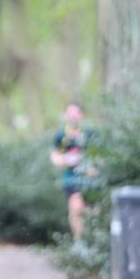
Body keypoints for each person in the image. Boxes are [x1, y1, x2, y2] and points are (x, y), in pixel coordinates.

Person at [50, 101, 92, 240]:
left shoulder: (88, 134)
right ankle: (79, 241)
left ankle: (90, 240)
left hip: (90, 180)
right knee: (76, 208)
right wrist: (66, 160)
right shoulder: (62, 135)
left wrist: (91, 166)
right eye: (69, 114)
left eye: (75, 113)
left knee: (90, 212)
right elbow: (55, 157)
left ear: (81, 116)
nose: (72, 116)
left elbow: (99, 158)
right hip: (71, 179)